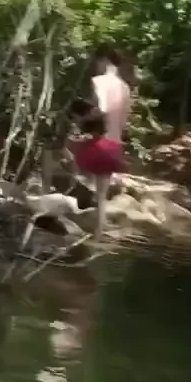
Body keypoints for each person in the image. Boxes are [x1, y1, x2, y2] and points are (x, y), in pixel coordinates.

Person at [69, 48, 131, 239]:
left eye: (98, 61)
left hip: (97, 144)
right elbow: (124, 121)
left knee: (66, 159)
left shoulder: (99, 81)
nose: (96, 66)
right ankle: (98, 236)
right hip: (114, 145)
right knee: (102, 195)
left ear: (105, 60)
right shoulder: (125, 87)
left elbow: (101, 108)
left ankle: (67, 213)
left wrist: (82, 119)